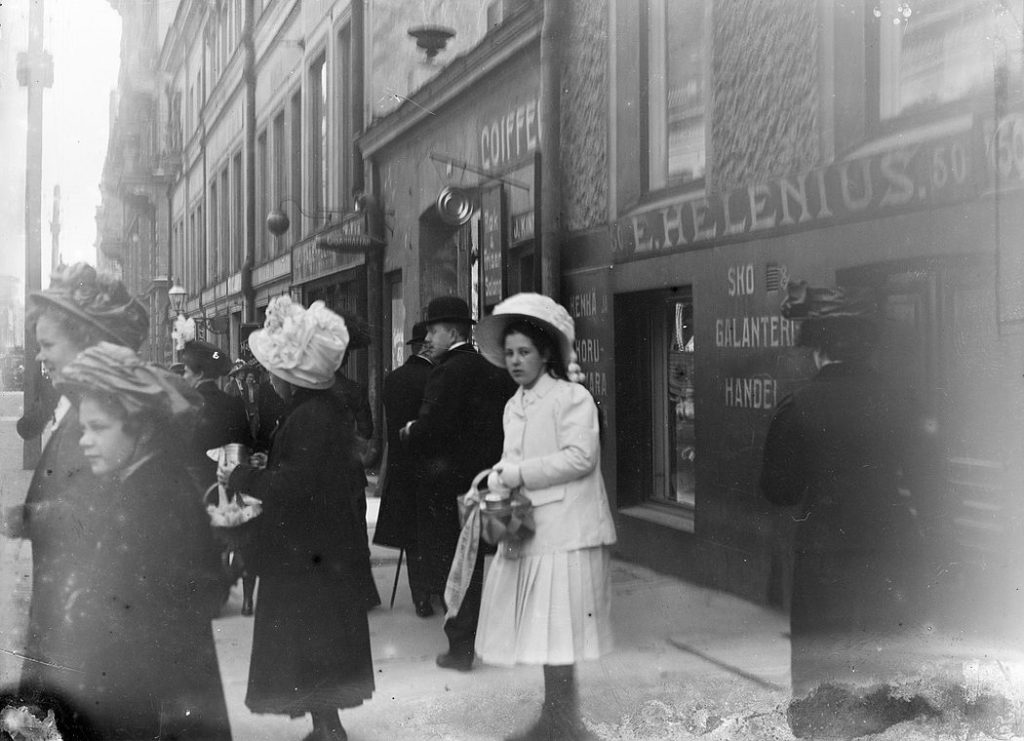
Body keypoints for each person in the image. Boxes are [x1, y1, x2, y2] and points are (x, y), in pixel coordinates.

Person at [759, 281, 944, 726]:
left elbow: (777, 490)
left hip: (825, 557)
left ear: (819, 351)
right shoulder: (907, 402)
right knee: (891, 678)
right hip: (894, 553)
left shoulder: (797, 406)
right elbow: (931, 486)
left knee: (824, 679)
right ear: (869, 349)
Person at [47, 342, 232, 740]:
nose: (84, 441)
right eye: (83, 428)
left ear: (141, 428)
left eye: (98, 428)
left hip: (150, 704)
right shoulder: (144, 481)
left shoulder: (153, 496)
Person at [219, 296, 374, 741]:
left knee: (312, 644)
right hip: (320, 553)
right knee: (319, 644)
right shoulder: (318, 413)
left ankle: (328, 730)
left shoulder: (308, 419)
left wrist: (242, 474)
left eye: (275, 370)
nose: (269, 378)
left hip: (307, 558)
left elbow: (293, 488)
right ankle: (327, 725)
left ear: (291, 377)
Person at [2, 264, 149, 710]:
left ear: (86, 341)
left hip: (91, 623)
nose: (40, 357)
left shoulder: (107, 412)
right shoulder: (83, 402)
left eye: (48, 345)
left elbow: (111, 512)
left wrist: (28, 517)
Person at [473, 293, 616, 741]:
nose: (515, 361)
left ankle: (565, 721)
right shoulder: (514, 404)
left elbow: (580, 459)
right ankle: (557, 718)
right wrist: (495, 481)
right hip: (532, 531)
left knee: (560, 631)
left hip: (568, 532)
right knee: (544, 633)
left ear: (547, 353)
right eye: (510, 353)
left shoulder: (572, 398)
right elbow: (511, 457)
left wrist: (516, 473)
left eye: (524, 352)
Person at [400, 296, 516, 670]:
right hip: (491, 480)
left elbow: (433, 427)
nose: (428, 338)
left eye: (433, 331)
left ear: (453, 332)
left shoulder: (447, 371)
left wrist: (411, 430)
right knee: (491, 559)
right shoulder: (490, 367)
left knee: (461, 563)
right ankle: (496, 638)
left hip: (454, 488)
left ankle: (461, 648)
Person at [374, 321, 435, 616]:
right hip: (432, 468)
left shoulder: (394, 379)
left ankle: (420, 595)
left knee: (411, 535)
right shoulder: (436, 377)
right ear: (427, 346)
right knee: (433, 530)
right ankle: (435, 589)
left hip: (402, 468)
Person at [330, 313, 382, 610]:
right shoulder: (354, 390)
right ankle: (363, 594)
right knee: (355, 532)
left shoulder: (311, 391)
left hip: (324, 473)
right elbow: (367, 431)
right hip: (350, 472)